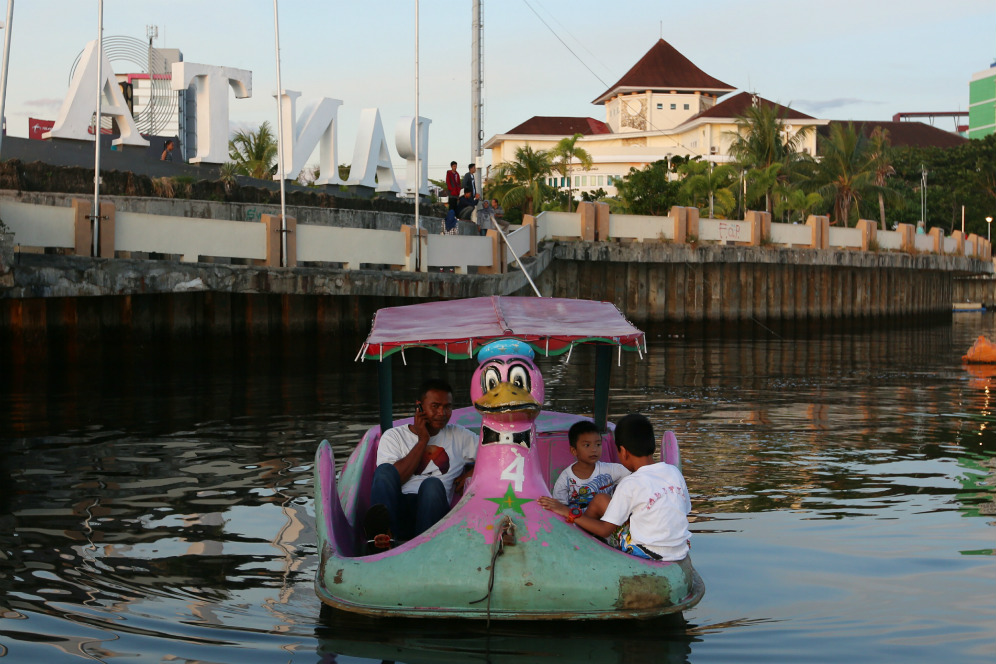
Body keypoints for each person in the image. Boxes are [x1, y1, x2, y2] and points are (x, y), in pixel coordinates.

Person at [538, 413, 691, 562]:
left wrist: (567, 512)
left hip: (647, 551)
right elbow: (683, 510)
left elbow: (605, 529)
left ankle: (585, 542)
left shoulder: (631, 483)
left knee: (600, 517)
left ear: (623, 452)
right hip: (679, 549)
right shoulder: (673, 472)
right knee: (602, 500)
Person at [365, 379, 477, 552]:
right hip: (398, 510)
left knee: (431, 485)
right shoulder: (394, 436)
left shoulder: (459, 436)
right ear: (419, 407)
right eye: (435, 406)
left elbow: (496, 454)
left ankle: (422, 549)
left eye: (447, 407)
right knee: (385, 471)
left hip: (433, 513)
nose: (442, 412)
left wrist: (473, 471)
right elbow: (396, 478)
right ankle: (381, 541)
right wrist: (423, 440)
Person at [551, 420, 630, 519]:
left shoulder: (611, 469)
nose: (594, 449)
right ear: (574, 450)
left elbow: (635, 479)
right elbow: (559, 509)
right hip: (581, 525)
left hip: (606, 522)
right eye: (587, 445)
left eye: (598, 444)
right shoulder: (565, 479)